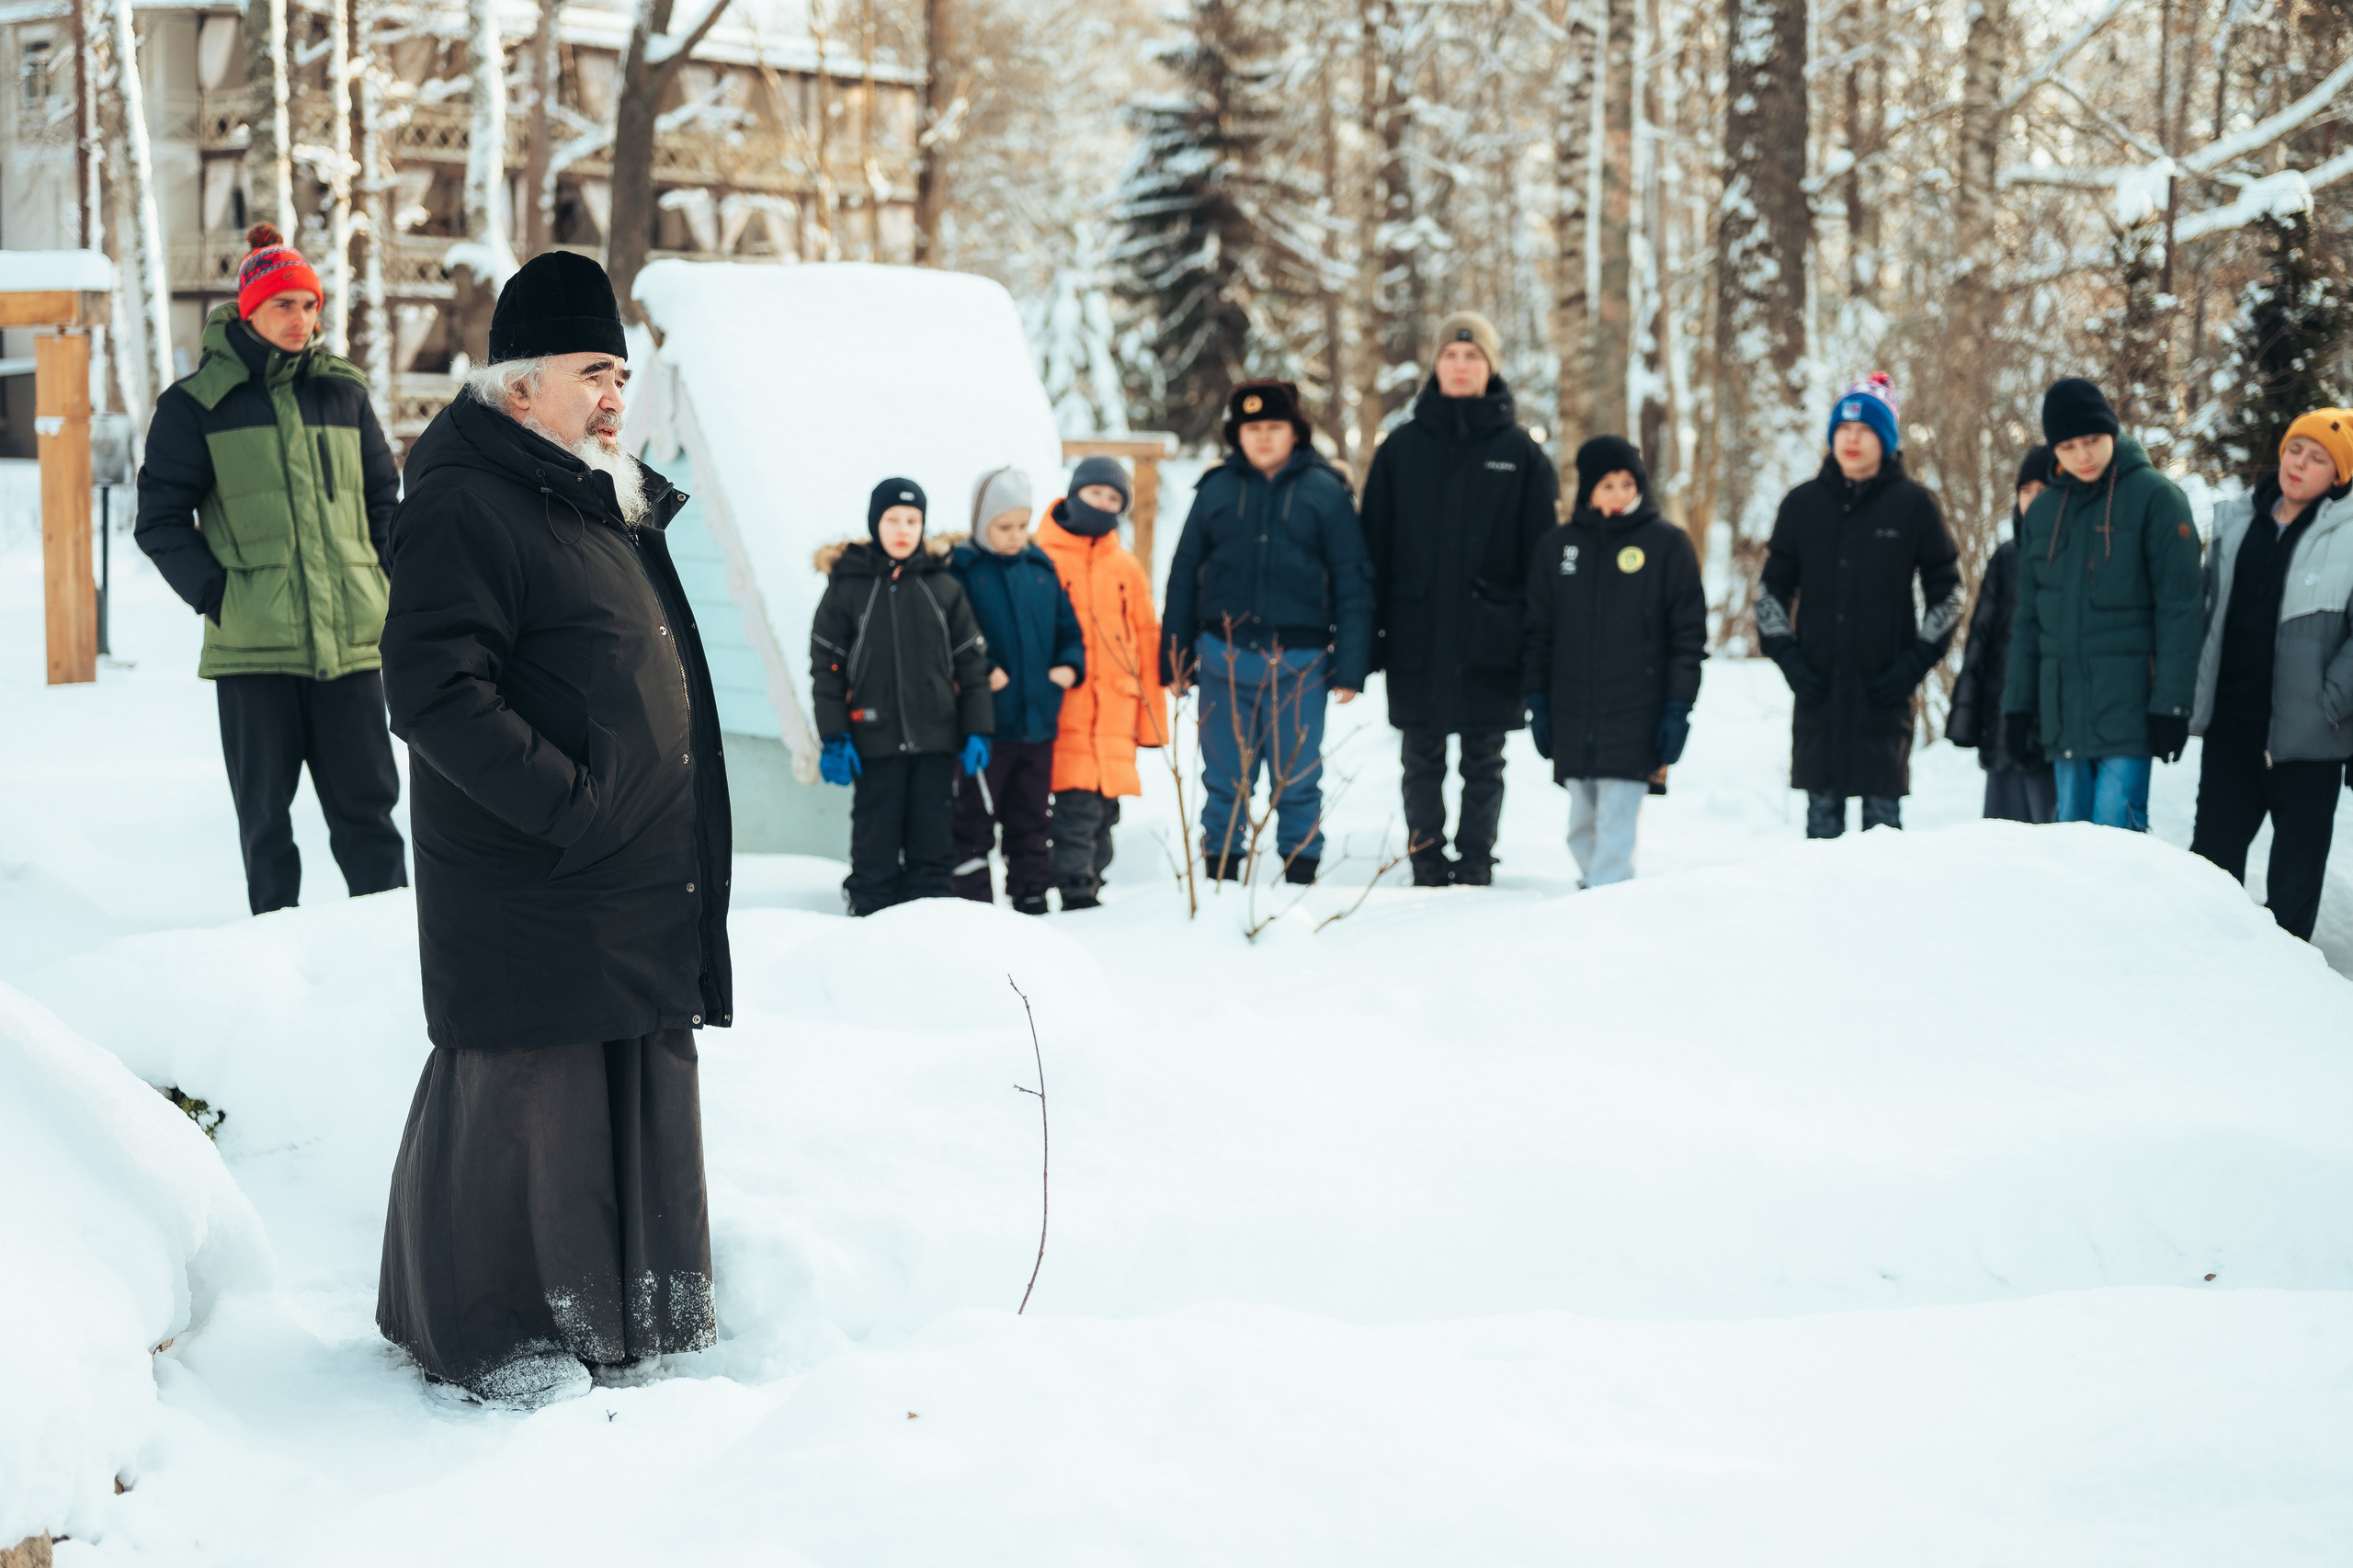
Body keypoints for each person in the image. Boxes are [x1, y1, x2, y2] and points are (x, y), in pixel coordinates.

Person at [375, 250, 732, 1408]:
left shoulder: (590, 494)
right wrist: (569, 807)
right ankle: (504, 1335)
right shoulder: (467, 500)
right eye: (593, 372)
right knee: (537, 1102)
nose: (615, 394)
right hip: (542, 879)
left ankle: (621, 1317)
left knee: (620, 1089)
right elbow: (433, 691)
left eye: (622, 371)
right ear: (519, 387)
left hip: (624, 882)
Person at [133, 222, 407, 915]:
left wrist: (378, 583)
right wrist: (220, 596)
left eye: (310, 304)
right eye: (286, 304)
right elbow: (159, 522)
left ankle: (389, 961)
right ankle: (273, 981)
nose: (302, 318)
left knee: (370, 820)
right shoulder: (195, 405)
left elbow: (384, 502)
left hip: (349, 647)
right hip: (255, 653)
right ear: (249, 309)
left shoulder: (343, 394)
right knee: (266, 826)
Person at [1361, 311, 1560, 886]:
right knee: (1420, 755)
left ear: (1489, 368)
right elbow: (1372, 546)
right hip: (1416, 630)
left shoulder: (1520, 454)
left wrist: (1530, 632)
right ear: (1437, 365)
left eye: (1473, 356)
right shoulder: (1401, 450)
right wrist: (1371, 636)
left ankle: (1476, 860)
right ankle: (1424, 858)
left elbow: (1540, 557)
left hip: (1492, 633)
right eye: (1451, 355)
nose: (1461, 365)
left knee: (1484, 757)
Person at [1162, 380, 1374, 882]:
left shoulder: (1326, 492)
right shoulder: (1214, 489)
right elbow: (1183, 573)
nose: (1262, 438)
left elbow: (1353, 580)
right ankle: (1220, 875)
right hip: (1221, 660)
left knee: (1297, 778)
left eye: (1274, 427)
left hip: (1299, 664)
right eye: (1252, 428)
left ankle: (1301, 876)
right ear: (1237, 434)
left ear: (1295, 432)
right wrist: (1174, 658)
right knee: (1224, 778)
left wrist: (1351, 663)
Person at [1756, 373, 1963, 836]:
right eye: (1844, 429)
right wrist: (1792, 664)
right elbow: (1770, 593)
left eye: (1866, 429)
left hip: (1884, 697)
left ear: (1886, 439)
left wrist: (1911, 667)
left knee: (1883, 837)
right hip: (1819, 696)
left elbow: (1949, 593)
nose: (1853, 438)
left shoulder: (1915, 506)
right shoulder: (1801, 505)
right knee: (1821, 835)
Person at [2001, 379, 2203, 832]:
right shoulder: (2043, 512)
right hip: (2063, 713)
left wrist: (2172, 705)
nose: (2083, 456)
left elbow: (2181, 609)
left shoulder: (2157, 498)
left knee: (2117, 841)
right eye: (2068, 446)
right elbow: (2030, 618)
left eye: (2092, 441)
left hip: (2128, 709)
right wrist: (2018, 706)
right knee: (2072, 845)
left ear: (2112, 431)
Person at [2188, 410, 2353, 940]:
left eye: (2317, 457)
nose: (2299, 463)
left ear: (2340, 474)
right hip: (2232, 730)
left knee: (2292, 891)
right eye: (2294, 450)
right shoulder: (2236, 521)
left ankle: (2278, 1010)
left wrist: (2331, 702)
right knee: (2209, 875)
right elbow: (2206, 613)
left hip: (2309, 742)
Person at [1523, 437, 1705, 887]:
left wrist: (1678, 710)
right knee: (1580, 830)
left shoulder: (1667, 545)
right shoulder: (1557, 548)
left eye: (1628, 483)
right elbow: (1537, 633)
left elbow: (1688, 637)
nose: (1620, 494)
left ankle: (1606, 909)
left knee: (1617, 827)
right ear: (1588, 489)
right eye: (1608, 484)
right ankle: (1598, 890)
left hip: (1637, 714)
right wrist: (1538, 703)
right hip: (1572, 714)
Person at [812, 479, 995, 916]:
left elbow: (971, 664)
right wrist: (835, 737)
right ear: (876, 523)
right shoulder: (847, 587)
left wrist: (977, 730)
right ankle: (869, 911)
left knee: (932, 836)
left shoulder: (944, 587)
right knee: (876, 834)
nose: (903, 529)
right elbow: (827, 669)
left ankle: (927, 915)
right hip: (873, 740)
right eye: (893, 519)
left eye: (913, 520)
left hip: (935, 739)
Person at [949, 467, 1084, 914]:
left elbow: (1069, 631)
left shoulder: (1041, 568)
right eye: (1003, 527)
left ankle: (1030, 895)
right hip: (988, 724)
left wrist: (1068, 667)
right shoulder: (964, 569)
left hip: (1038, 721)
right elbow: (951, 633)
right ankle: (972, 903)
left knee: (1030, 816)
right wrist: (982, 668)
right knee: (974, 818)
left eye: (1022, 526)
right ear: (981, 523)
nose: (1015, 536)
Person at [1037, 456, 1167, 910]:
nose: (1103, 504)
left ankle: (1089, 877)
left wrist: (1152, 722)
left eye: (1114, 499)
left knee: (1104, 812)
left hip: (1115, 710)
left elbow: (1147, 640)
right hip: (1063, 707)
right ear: (1074, 494)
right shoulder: (1042, 555)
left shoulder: (1126, 567)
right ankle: (1076, 889)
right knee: (1074, 807)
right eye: (1096, 494)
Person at [1947, 447, 2060, 823]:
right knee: (2002, 841)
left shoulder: (2077, 556)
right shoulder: (2006, 558)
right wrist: (1967, 717)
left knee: (2051, 838)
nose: (2033, 499)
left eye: (2043, 489)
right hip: (2002, 724)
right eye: (2025, 490)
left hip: (2054, 734)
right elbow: (1980, 642)